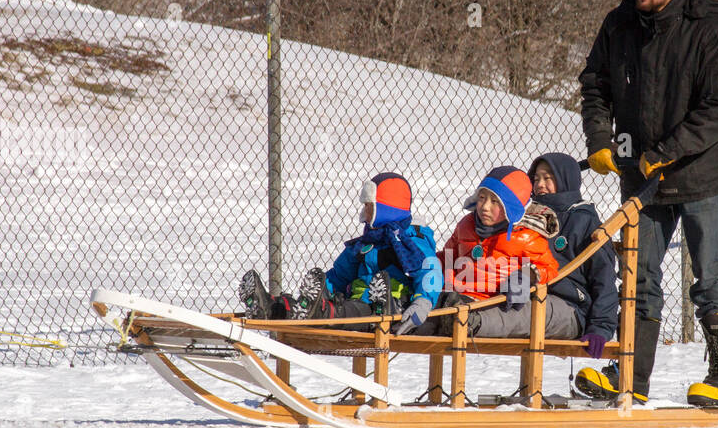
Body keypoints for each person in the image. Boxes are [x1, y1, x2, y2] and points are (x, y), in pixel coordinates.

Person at [575, 0, 718, 407]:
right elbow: (595, 84)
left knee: (709, 274)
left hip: (700, 173)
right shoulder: (619, 24)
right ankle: (631, 374)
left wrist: (667, 150)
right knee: (638, 276)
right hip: (642, 176)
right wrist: (599, 142)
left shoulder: (711, 30)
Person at [238, 172, 441, 331]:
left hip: (390, 306)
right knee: (327, 304)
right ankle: (276, 308)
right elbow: (339, 276)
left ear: (387, 208)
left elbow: (430, 270)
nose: (365, 212)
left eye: (370, 206)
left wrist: (422, 302)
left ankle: (321, 311)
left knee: (351, 310)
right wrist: (321, 290)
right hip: (359, 299)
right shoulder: (366, 243)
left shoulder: (410, 240)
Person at [409, 166, 569, 338]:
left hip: (491, 303)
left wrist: (528, 274)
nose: (485, 207)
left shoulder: (526, 236)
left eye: (495, 202)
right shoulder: (466, 225)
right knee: (422, 312)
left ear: (511, 208)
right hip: (454, 294)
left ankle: (451, 318)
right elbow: (447, 257)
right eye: (482, 198)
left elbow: (550, 268)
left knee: (454, 312)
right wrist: (424, 263)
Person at [526, 153, 618, 362]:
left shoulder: (583, 220)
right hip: (529, 296)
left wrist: (600, 328)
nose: (540, 184)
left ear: (565, 178)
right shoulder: (530, 218)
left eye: (548, 178)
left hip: (570, 307)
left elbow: (603, 279)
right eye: (537, 178)